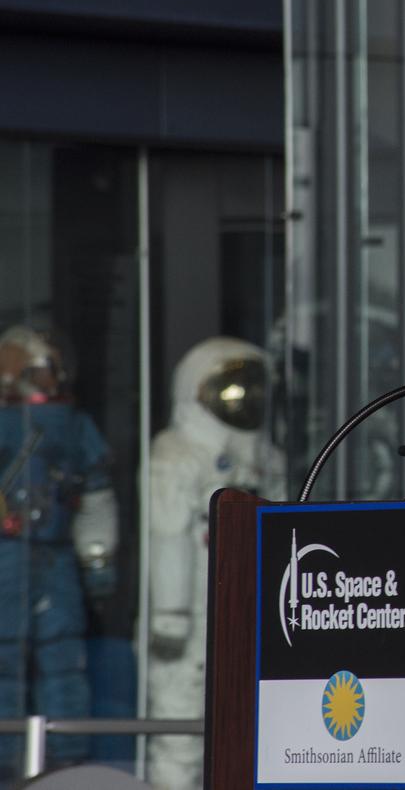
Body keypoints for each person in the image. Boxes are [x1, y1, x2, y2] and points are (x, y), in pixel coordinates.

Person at [146, 337, 285, 790]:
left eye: (253, 388)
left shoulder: (267, 458)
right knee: (179, 730)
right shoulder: (176, 453)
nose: (245, 398)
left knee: (245, 729)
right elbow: (167, 536)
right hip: (187, 616)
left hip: (249, 613)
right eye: (232, 388)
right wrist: (170, 615)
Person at [0, 325, 118, 779]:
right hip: (24, 557)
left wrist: (97, 561)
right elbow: (97, 500)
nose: (47, 385)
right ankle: (45, 760)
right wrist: (98, 562)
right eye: (38, 374)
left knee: (60, 660)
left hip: (49, 555)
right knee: (27, 658)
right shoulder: (72, 427)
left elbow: (94, 497)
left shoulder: (74, 427)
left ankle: (55, 759)